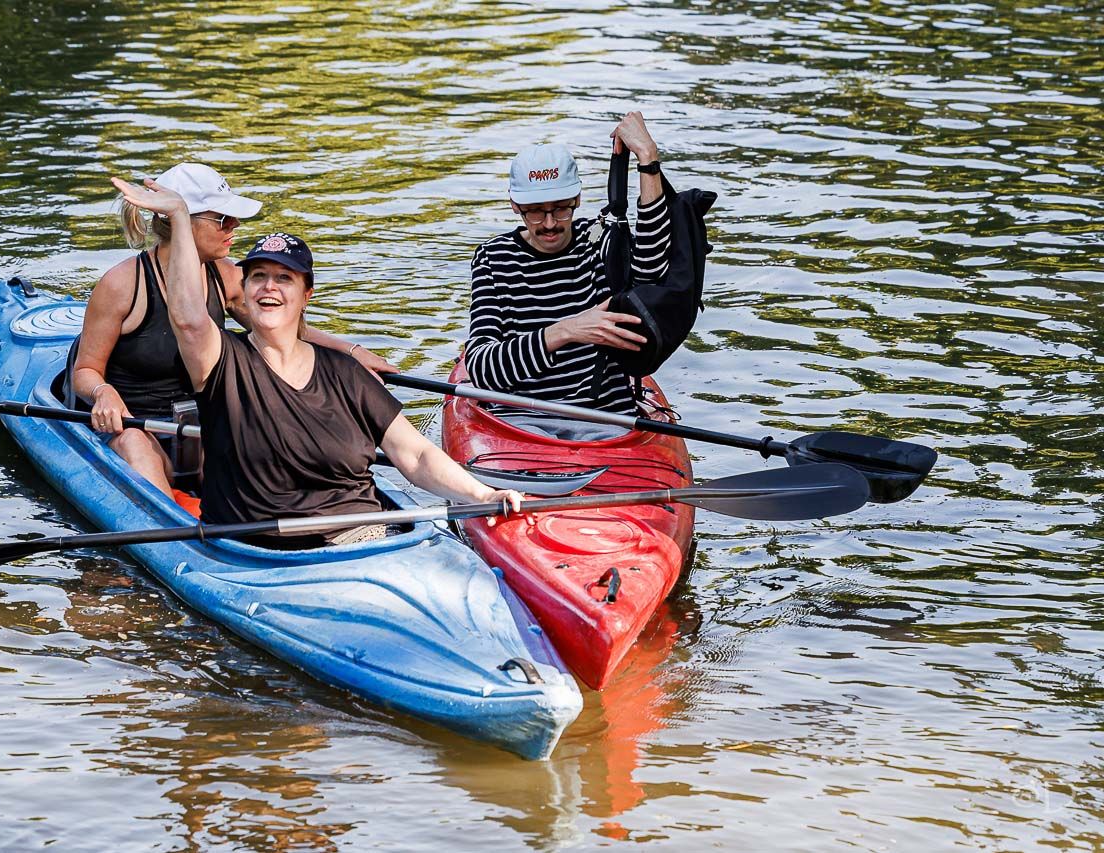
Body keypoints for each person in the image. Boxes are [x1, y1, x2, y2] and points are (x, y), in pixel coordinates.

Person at [109, 176, 524, 548]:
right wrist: (181, 217)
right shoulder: (222, 362)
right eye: (258, 276)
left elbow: (415, 456)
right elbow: (188, 319)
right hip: (260, 549)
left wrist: (484, 495)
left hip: (361, 536)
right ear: (246, 290)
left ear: (306, 295)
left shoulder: (345, 373)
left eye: (284, 278)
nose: (269, 287)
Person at [72, 163, 393, 496]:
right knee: (136, 445)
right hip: (136, 428)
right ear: (177, 219)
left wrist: (351, 354)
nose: (235, 225)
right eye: (222, 219)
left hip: (205, 427)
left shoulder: (226, 276)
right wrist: (102, 392)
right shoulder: (122, 284)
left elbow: (285, 333)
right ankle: (176, 534)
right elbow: (85, 370)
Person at [465, 112, 674, 440]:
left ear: (577, 199)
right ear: (514, 205)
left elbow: (653, 269)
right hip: (519, 422)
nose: (549, 223)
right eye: (535, 211)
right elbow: (480, 368)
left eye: (561, 208)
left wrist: (648, 157)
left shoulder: (600, 240)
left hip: (607, 419)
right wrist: (565, 331)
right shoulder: (493, 259)